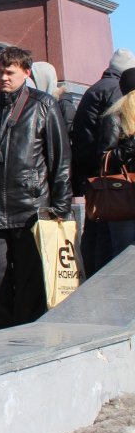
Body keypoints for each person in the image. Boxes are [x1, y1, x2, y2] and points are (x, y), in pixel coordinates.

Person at [0, 47, 72, 329]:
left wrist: (61, 206)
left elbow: (60, 159)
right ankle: (0, 332)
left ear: (26, 72)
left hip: (31, 210)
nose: (3, 78)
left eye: (9, 72)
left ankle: (28, 336)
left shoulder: (44, 105)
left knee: (30, 282)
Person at [71, 48, 135, 274]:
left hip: (113, 186)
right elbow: (106, 155)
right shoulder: (115, 109)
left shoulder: (98, 89)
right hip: (117, 190)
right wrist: (130, 147)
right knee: (117, 250)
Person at [94, 68, 135, 268]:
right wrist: (131, 145)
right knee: (124, 256)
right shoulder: (115, 117)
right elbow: (105, 160)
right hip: (123, 196)